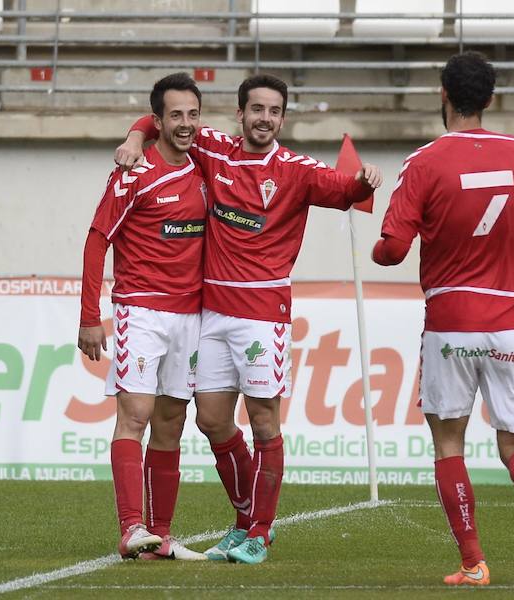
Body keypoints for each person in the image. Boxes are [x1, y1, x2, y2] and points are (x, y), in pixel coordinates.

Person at [114, 74, 382, 564]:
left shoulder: (296, 170)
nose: (265, 118)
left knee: (263, 422)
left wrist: (365, 180)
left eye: (274, 111)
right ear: (240, 114)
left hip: (262, 317)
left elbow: (347, 190)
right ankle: (245, 520)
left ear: (282, 118)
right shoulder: (215, 149)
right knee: (212, 419)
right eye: (256, 109)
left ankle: (258, 530)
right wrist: (136, 136)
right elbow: (164, 121)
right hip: (212, 314)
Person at [372, 51, 514, 587]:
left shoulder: (424, 162)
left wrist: (382, 247)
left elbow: (392, 248)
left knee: (449, 442)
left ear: (442, 94)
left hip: (454, 318)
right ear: (491, 98)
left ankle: (473, 561)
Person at [78, 73, 208, 561]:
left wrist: (137, 130)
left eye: (193, 114)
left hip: (191, 316)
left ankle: (160, 534)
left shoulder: (206, 167)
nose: (186, 124)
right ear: (158, 121)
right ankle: (131, 526)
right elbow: (97, 238)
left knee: (172, 423)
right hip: (141, 310)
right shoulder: (133, 174)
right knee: (135, 414)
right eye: (175, 115)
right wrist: (90, 315)